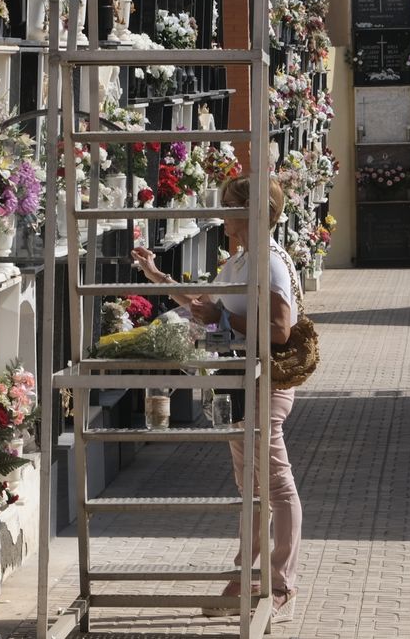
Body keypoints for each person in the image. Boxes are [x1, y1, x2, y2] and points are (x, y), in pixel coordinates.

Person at [131, 175, 301, 621]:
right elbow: (205, 304)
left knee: (275, 486)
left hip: (265, 382)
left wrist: (223, 316)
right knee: (250, 488)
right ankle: (247, 578)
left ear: (255, 210)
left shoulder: (270, 261)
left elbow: (280, 330)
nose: (222, 209)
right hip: (236, 381)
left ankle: (279, 584)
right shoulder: (240, 262)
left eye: (229, 203)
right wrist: (158, 276)